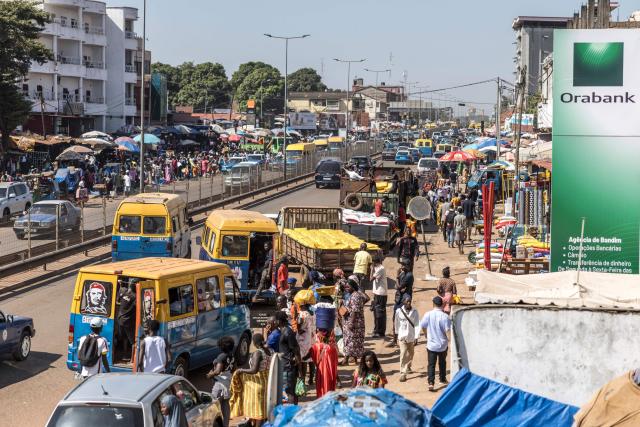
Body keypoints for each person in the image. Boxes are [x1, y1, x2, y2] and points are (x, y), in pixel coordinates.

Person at [231, 334, 272, 427]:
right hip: (267, 383)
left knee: (258, 411)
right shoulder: (270, 351)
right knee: (263, 408)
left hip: (257, 385)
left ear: (254, 343)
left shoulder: (258, 353)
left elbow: (254, 370)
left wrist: (240, 370)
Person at [420, 296, 452, 392]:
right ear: (442, 304)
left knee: (431, 364)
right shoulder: (445, 316)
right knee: (442, 363)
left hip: (431, 345)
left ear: (433, 304)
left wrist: (426, 335)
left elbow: (423, 326)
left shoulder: (428, 314)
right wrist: (450, 342)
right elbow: (448, 331)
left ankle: (431, 383)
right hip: (442, 345)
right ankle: (442, 379)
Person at [206, 336, 236, 427]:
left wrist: (210, 375)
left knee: (212, 406)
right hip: (227, 384)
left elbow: (218, 371)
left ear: (221, 346)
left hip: (219, 385)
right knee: (225, 406)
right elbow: (234, 369)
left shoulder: (221, 356)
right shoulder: (232, 356)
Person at [340, 276, 369, 365]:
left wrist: (351, 323)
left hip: (355, 322)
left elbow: (355, 311)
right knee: (352, 340)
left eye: (348, 286)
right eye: (346, 287)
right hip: (351, 321)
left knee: (350, 340)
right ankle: (354, 359)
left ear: (353, 286)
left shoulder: (356, 295)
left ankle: (346, 360)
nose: (346, 288)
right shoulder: (354, 295)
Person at [276, 311, 302, 404]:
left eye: (276, 320)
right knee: (289, 392)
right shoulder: (283, 331)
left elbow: (296, 350)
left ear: (279, 321)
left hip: (289, 367)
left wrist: (300, 370)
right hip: (286, 366)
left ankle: (292, 412)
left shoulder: (287, 332)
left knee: (290, 392)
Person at [387, 262, 414, 348]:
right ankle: (395, 340)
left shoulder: (409, 275)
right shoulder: (403, 273)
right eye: (401, 265)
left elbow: (398, 287)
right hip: (399, 299)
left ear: (407, 266)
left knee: (405, 320)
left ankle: (405, 339)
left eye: (403, 265)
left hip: (405, 300)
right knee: (395, 319)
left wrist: (397, 277)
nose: (401, 267)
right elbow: (398, 287)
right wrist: (398, 285)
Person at [395, 294, 420, 382]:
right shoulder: (398, 311)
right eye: (407, 301)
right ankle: (403, 373)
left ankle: (408, 367)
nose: (409, 302)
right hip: (402, 336)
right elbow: (396, 324)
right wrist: (396, 336)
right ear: (403, 302)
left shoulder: (415, 311)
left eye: (410, 301)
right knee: (403, 354)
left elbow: (417, 324)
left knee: (411, 354)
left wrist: (416, 337)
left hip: (411, 336)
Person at [309, 329, 339, 398]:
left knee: (322, 388)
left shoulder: (317, 346)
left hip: (322, 373)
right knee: (330, 388)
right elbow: (336, 360)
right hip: (331, 373)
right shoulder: (333, 347)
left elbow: (308, 355)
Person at [296, 302, 316, 386]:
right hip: (311, 338)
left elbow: (299, 328)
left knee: (303, 360)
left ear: (303, 306)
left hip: (303, 339)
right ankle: (311, 379)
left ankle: (303, 381)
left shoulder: (302, 314)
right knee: (311, 359)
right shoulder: (312, 313)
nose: (299, 307)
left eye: (300, 305)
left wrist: (298, 327)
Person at [115, 281, 136, 361]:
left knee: (124, 337)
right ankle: (132, 360)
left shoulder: (124, 294)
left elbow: (118, 301)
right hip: (128, 321)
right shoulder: (135, 297)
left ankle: (124, 353)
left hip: (120, 320)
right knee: (133, 341)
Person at [370, 256, 387, 339]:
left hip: (381, 294)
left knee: (379, 314)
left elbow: (370, 278)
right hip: (377, 293)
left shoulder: (380, 269)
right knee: (376, 313)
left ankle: (380, 332)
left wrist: (371, 269)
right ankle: (377, 330)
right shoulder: (378, 268)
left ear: (374, 263)